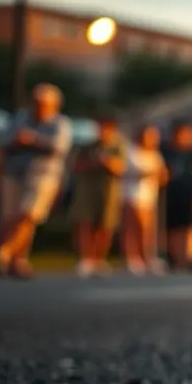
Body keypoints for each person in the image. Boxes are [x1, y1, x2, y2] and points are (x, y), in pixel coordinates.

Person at [0, 83, 73, 279]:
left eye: (43, 104)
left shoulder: (59, 124)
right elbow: (3, 142)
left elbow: (59, 148)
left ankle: (4, 252)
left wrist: (33, 140)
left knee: (29, 215)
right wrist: (17, 142)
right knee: (10, 217)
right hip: (14, 173)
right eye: (36, 102)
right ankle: (17, 260)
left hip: (43, 175)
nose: (39, 107)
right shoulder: (20, 118)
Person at [68, 116, 126, 278]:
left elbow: (121, 167)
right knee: (85, 223)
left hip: (109, 191)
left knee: (105, 225)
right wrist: (95, 163)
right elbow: (76, 166)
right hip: (87, 190)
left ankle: (99, 258)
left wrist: (108, 163)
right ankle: (86, 259)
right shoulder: (87, 146)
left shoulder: (118, 146)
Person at [122, 125, 168, 276]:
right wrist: (148, 173)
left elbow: (162, 174)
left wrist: (160, 175)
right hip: (132, 195)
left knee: (148, 230)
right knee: (133, 228)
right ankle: (133, 258)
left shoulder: (155, 154)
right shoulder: (131, 152)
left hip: (150, 197)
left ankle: (148, 257)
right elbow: (129, 171)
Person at [161, 121, 192, 273]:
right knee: (174, 227)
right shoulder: (166, 151)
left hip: (191, 193)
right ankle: (175, 257)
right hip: (172, 193)